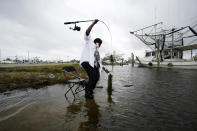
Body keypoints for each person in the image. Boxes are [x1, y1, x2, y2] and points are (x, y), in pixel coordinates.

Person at [80, 19, 109, 99]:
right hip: (86, 62)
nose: (98, 45)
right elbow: (87, 32)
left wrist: (104, 69)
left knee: (97, 77)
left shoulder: (97, 51)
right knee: (92, 77)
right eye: (97, 43)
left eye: (100, 44)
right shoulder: (89, 42)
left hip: (93, 64)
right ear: (95, 42)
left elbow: (99, 62)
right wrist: (93, 23)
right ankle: (87, 92)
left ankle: (90, 90)